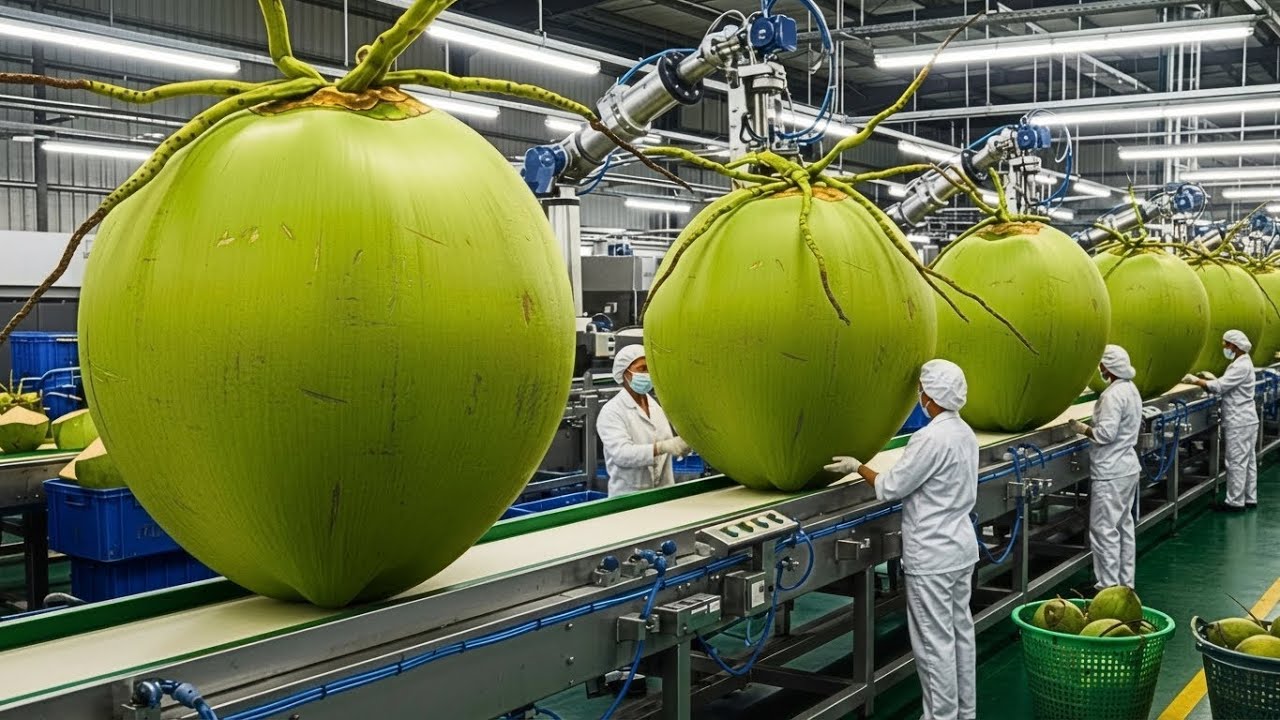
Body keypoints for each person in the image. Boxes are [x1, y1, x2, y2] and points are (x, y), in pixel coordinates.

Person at [824, 359, 978, 720]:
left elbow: (892, 487)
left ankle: (940, 717)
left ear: (932, 396)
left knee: (934, 645)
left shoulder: (930, 438)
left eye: (922, 390)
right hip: (960, 549)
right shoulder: (964, 433)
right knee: (960, 637)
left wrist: (858, 467)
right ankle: (965, 714)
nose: (920, 396)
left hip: (933, 556)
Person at [1069, 345, 1142, 589]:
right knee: (1123, 527)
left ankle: (1108, 586)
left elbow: (1106, 434)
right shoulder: (1130, 389)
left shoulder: (1112, 395)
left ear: (1107, 367)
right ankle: (1125, 583)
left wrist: (1084, 429)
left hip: (1111, 470)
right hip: (1127, 467)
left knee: (1104, 529)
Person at [596, 344, 691, 497]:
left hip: (663, 494)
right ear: (625, 373)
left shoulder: (656, 407)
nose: (648, 374)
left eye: (649, 369)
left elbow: (668, 445)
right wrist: (661, 447)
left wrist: (682, 447)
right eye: (642, 369)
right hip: (629, 498)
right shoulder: (611, 412)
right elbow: (621, 454)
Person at [1184, 329, 1258, 512]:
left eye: (1226, 344)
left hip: (1239, 420)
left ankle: (1234, 503)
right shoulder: (1243, 363)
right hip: (1246, 419)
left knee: (1236, 462)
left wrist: (1196, 380)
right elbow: (1228, 384)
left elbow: (1219, 387)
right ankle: (1249, 498)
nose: (1224, 347)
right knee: (1248, 461)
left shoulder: (1240, 366)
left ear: (1234, 345)